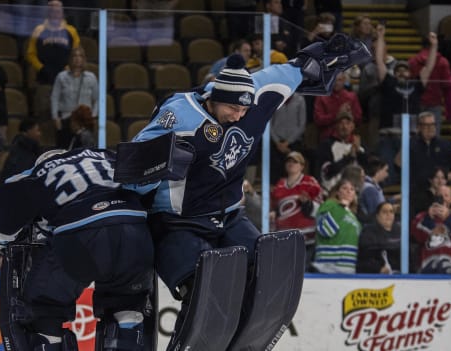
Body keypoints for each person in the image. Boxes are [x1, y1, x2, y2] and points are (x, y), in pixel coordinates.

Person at [129, 32, 370, 348]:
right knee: (206, 290)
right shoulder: (178, 116)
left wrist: (326, 57)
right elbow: (133, 168)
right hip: (176, 223)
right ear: (215, 98)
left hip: (228, 217)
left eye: (244, 110)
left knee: (271, 271)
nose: (239, 116)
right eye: (231, 110)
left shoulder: (259, 94)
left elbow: (300, 68)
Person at [0, 148, 154, 351]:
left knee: (44, 308)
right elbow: (152, 182)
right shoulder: (107, 156)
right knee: (127, 302)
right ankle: (129, 330)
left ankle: (49, 338)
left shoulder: (37, 174)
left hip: (80, 238)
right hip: (136, 233)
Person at [374, 25, 436, 185]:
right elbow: (379, 61)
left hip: (411, 137)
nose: (402, 72)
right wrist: (381, 37)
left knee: (410, 176)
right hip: (388, 136)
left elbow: (429, 67)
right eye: (398, 70)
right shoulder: (388, 82)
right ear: (394, 73)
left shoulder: (416, 85)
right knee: (387, 176)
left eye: (405, 70)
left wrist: (434, 45)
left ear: (410, 73)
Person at [26, 0, 80, 120]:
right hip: (45, 81)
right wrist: (41, 68)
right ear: (48, 13)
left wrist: (67, 68)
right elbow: (30, 54)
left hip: (67, 81)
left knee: (66, 117)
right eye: (52, 11)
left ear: (62, 12)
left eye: (57, 11)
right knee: (44, 117)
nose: (55, 13)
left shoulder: (71, 31)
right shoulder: (38, 30)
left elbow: (76, 53)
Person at [270, 151, 322, 269]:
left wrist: (307, 204)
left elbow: (320, 207)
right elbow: (275, 207)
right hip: (284, 238)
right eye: (289, 161)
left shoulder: (310, 181)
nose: (291, 163)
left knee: (301, 273)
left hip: (305, 238)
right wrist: (273, 213)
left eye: (295, 161)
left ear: (302, 166)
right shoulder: (280, 184)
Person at [50, 47, 98, 148]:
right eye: (75, 56)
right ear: (70, 59)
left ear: (84, 59)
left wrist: (93, 116)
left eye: (80, 56)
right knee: (64, 149)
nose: (77, 58)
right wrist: (55, 117)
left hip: (84, 120)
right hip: (66, 119)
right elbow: (54, 98)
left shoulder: (91, 77)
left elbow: (97, 99)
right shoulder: (61, 77)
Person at [411, 185, 451, 274]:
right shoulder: (421, 217)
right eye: (439, 195)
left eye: (446, 195)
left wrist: (448, 218)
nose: (442, 199)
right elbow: (418, 236)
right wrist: (429, 218)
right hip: (426, 267)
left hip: (450, 269)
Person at [312, 178, 361, 273]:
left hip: (348, 268)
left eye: (352, 189)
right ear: (337, 192)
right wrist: (340, 208)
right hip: (327, 267)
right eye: (344, 188)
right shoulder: (329, 205)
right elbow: (325, 230)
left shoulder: (353, 216)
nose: (348, 191)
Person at [408, 31, 451, 135]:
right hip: (435, 102)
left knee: (415, 134)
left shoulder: (412, 61)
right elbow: (446, 85)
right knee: (434, 134)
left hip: (416, 102)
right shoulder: (443, 62)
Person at [316, 112, 368, 193]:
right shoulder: (327, 145)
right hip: (333, 192)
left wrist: (358, 152)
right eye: (341, 123)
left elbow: (368, 170)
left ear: (353, 126)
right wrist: (348, 157)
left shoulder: (360, 146)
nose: (344, 127)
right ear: (336, 126)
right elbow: (326, 172)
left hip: (356, 193)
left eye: (348, 123)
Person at [408, 111, 451, 190]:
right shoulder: (411, 144)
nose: (430, 128)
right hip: (417, 191)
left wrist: (441, 179)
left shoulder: (445, 145)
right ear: (419, 127)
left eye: (433, 124)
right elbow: (398, 165)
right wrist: (406, 144)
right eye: (426, 125)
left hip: (440, 192)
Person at [313, 71, 362, 140]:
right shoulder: (321, 97)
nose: (336, 83)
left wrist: (349, 114)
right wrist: (337, 115)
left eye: (339, 80)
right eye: (333, 80)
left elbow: (358, 119)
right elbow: (318, 120)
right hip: (327, 138)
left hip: (347, 138)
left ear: (344, 80)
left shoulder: (352, 97)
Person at [356, 202, 401, 274]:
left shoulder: (400, 232)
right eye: (384, 212)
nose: (388, 214)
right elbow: (364, 258)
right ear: (377, 216)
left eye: (391, 212)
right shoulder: (368, 232)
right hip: (376, 277)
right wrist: (379, 269)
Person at [0, 119, 43, 183]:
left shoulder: (14, 147)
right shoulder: (25, 150)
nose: (40, 134)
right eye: (37, 130)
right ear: (29, 131)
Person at [358, 157, 398, 223]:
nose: (387, 174)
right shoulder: (369, 189)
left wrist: (394, 198)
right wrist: (392, 208)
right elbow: (375, 212)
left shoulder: (373, 186)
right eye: (386, 170)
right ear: (378, 171)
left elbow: (379, 204)